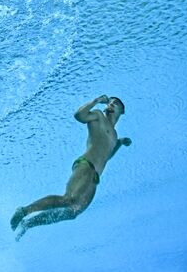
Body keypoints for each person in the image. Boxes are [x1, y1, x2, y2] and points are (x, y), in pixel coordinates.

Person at [10, 95, 132, 241]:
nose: (111, 104)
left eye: (116, 103)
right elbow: (79, 115)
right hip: (86, 164)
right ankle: (24, 211)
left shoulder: (114, 135)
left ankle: (28, 223)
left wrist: (120, 143)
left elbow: (106, 155)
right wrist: (96, 101)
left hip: (95, 176)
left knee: (72, 212)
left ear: (122, 111)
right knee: (68, 200)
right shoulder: (99, 116)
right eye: (110, 102)